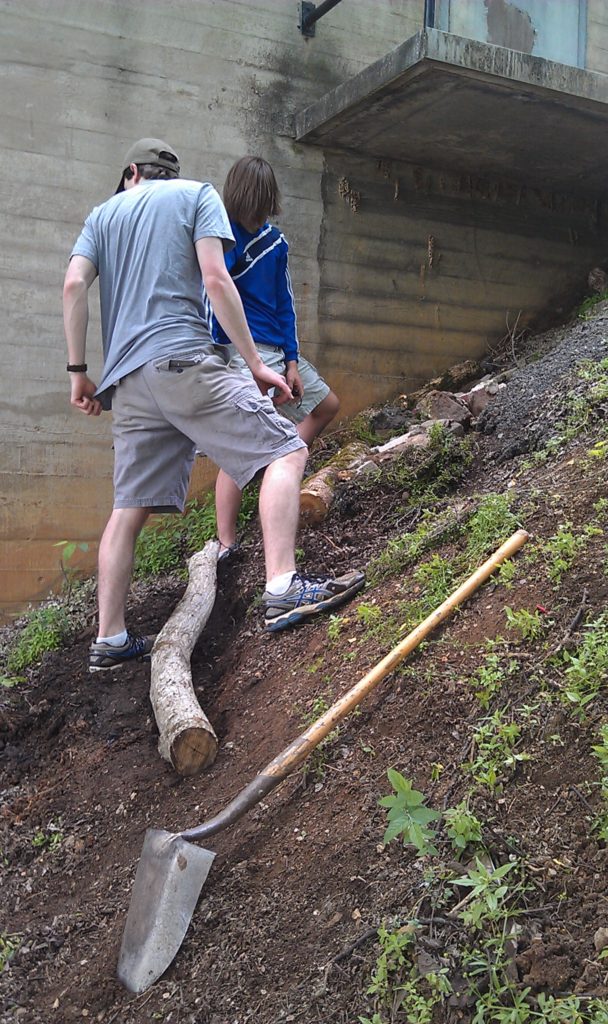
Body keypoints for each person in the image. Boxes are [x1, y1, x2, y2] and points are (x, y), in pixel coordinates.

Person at [63, 138, 364, 670]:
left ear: (131, 172)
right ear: (168, 173)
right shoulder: (196, 195)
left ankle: (109, 640)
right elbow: (215, 279)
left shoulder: (101, 216)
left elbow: (72, 287)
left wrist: (79, 374)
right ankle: (283, 586)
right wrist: (253, 362)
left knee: (127, 511)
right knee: (284, 453)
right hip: (182, 359)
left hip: (127, 382)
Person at [209, 156, 340, 557]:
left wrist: (293, 360)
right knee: (238, 450)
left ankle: (275, 471)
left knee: (326, 405)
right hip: (239, 355)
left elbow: (285, 303)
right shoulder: (218, 238)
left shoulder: (275, 242)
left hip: (277, 353)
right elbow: (211, 295)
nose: (258, 212)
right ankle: (226, 543)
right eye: (253, 203)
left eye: (263, 203)